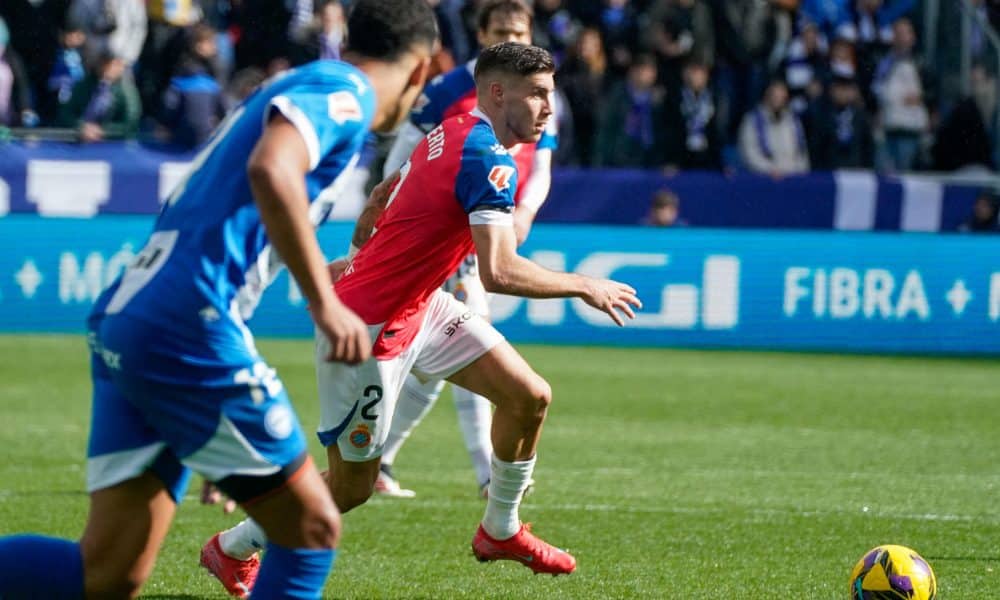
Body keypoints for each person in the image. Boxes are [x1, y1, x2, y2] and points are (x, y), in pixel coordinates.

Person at [0, 2, 438, 600]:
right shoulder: (344, 89)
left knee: (107, 572)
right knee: (310, 526)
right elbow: (271, 169)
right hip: (187, 323)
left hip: (136, 316)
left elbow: (250, 202)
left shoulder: (299, 86)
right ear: (420, 72)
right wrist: (324, 302)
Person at [202, 42, 642, 589]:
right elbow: (498, 272)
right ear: (498, 92)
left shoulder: (453, 130)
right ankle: (233, 546)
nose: (549, 108)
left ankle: (500, 529)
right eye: (538, 94)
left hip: (420, 308)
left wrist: (368, 243)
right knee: (351, 488)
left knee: (529, 396)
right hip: (368, 333)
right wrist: (583, 284)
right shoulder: (487, 158)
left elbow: (384, 194)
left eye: (551, 94)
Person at [375, 0, 555, 499]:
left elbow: (542, 166)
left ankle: (381, 458)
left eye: (519, 30)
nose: (513, 39)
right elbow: (401, 162)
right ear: (481, 34)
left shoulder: (538, 93)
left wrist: (523, 214)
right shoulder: (450, 91)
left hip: (486, 227)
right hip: (453, 239)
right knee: (474, 344)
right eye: (502, 30)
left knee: (441, 366)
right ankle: (485, 476)